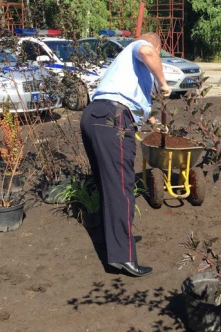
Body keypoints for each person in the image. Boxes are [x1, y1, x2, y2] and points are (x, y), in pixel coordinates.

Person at [80, 32, 171, 277]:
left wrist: (152, 122)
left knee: (108, 185)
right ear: (158, 45)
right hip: (112, 119)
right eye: (160, 51)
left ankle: (114, 240)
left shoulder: (124, 66)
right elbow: (147, 51)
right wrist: (163, 82)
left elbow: (132, 100)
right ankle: (123, 257)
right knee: (122, 187)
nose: (158, 55)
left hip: (94, 115)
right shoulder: (140, 47)